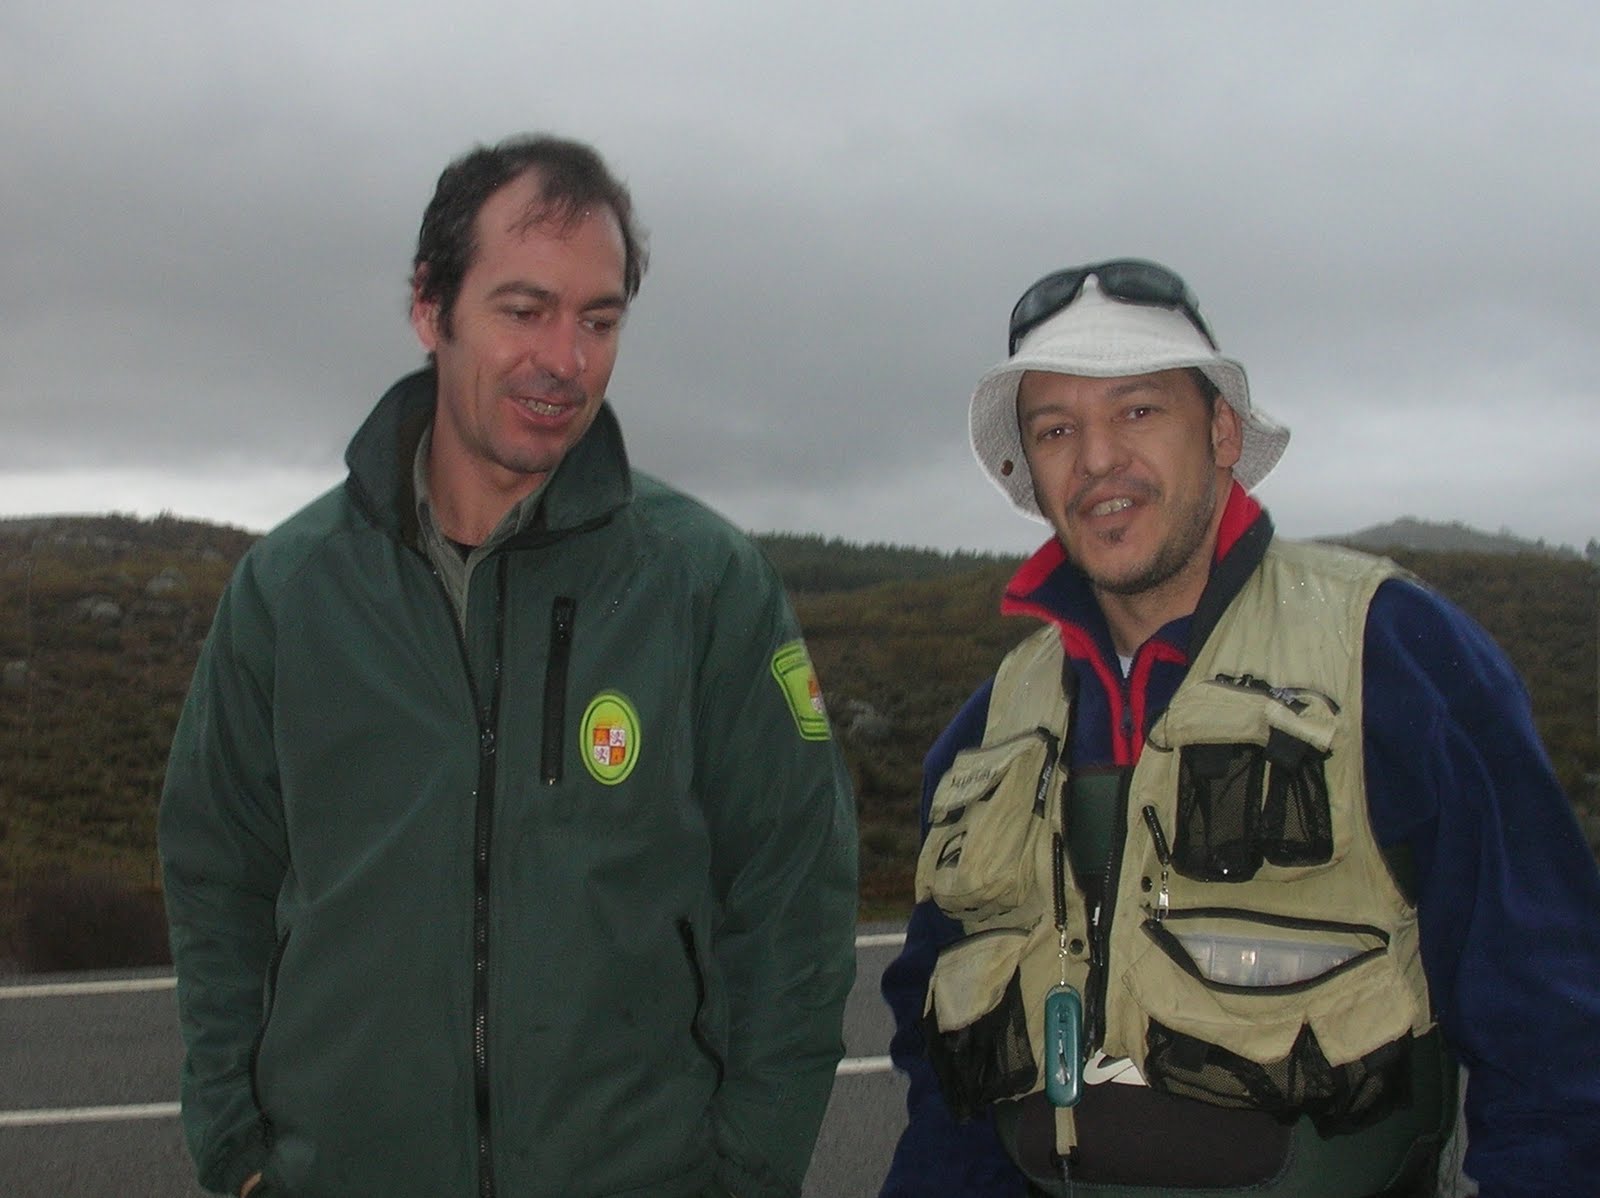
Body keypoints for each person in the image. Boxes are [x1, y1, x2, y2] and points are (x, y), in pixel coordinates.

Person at [159, 134, 858, 1198]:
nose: (565, 360)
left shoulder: (703, 584)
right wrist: (236, 1147)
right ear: (431, 307)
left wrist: (749, 1170)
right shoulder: (291, 590)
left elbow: (793, 896)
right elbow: (217, 873)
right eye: (524, 309)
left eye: (600, 319)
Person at [879, 259, 1600, 1197]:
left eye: (1138, 411)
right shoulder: (991, 728)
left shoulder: (1395, 653)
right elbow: (946, 1081)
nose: (1097, 460)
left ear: (1223, 431)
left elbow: (1554, 1041)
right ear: (1029, 471)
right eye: (1057, 429)